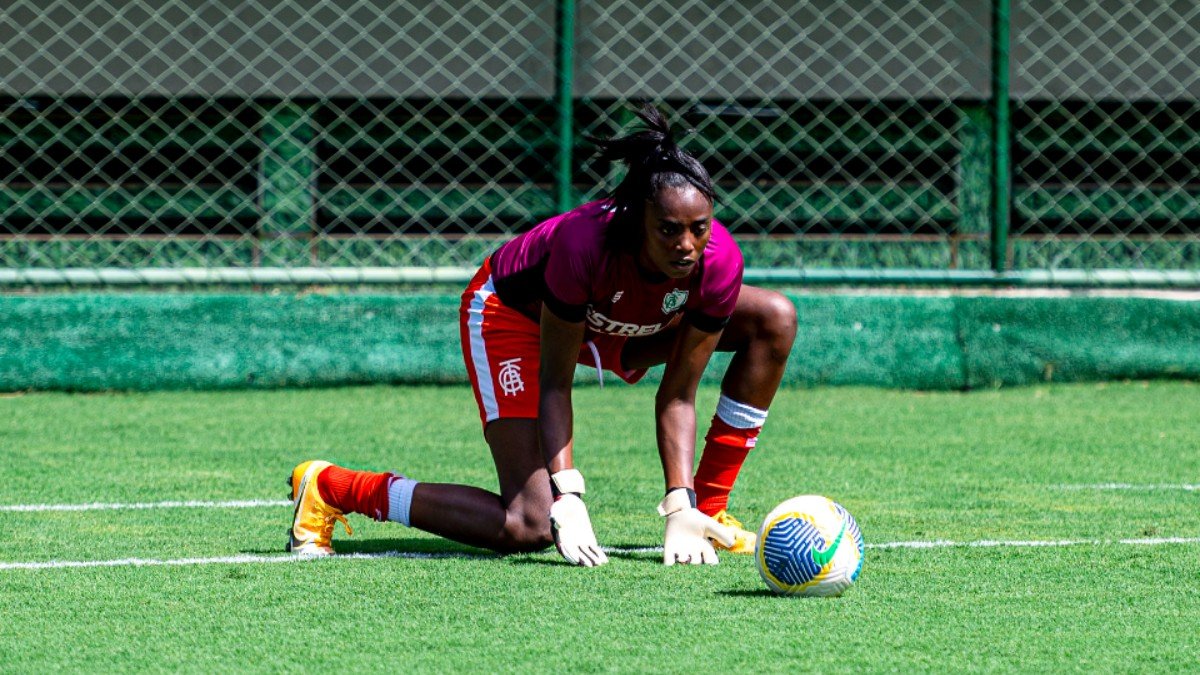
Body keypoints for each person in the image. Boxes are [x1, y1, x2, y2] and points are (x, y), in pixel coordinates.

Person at [287, 104, 797, 566]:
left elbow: (679, 395)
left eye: (699, 228)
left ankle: (709, 510)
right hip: (514, 316)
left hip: (618, 319)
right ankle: (334, 488)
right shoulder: (584, 245)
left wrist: (680, 501)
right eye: (668, 229)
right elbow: (556, 382)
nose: (686, 245)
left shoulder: (718, 262)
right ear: (639, 219)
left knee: (772, 317)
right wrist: (567, 494)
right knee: (528, 524)